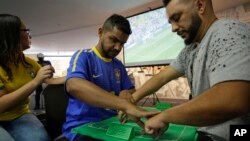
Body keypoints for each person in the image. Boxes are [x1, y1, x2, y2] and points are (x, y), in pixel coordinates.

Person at [127, 0, 250, 140]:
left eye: (177, 18)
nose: (173, 28)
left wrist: (165, 116)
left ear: (200, 6)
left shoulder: (229, 31)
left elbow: (231, 100)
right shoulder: (190, 50)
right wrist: (131, 100)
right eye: (170, 22)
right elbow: (162, 77)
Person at [63, 14, 158, 141]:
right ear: (100, 32)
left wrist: (125, 93)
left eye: (122, 43)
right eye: (113, 40)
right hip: (82, 127)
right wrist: (124, 104)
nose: (118, 47)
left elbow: (130, 90)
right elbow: (73, 85)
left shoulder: (118, 65)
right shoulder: (83, 56)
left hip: (113, 123)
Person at [0, 14, 65, 141]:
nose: (29, 35)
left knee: (40, 139)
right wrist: (35, 81)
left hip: (19, 114)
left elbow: (51, 81)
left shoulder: (29, 62)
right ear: (11, 34)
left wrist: (76, 75)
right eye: (25, 31)